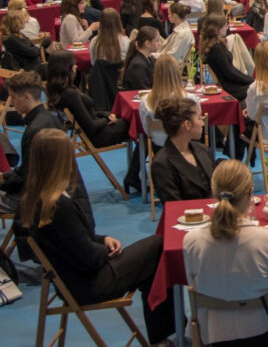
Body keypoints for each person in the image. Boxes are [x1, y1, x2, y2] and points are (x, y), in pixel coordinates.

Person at [20, 129, 175, 343]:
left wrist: (103, 240)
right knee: (159, 246)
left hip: (76, 276)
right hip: (88, 284)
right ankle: (165, 334)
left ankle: (163, 335)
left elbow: (74, 239)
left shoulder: (39, 197)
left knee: (153, 262)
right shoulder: (58, 205)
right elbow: (89, 258)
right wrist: (108, 250)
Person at [183, 159, 268, 345]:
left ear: (214, 193)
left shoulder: (192, 241)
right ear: (251, 192)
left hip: (213, 335)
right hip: (265, 332)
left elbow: (193, 283)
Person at [0, 71, 74, 213]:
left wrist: (3, 181)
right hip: (55, 185)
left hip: (36, 195)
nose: (12, 102)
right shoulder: (51, 117)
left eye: (13, 98)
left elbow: (26, 179)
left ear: (27, 97)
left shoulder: (35, 130)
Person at [45, 51, 130, 148]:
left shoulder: (61, 90)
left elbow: (86, 113)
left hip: (99, 127)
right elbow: (91, 126)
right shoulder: (70, 94)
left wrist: (106, 115)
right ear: (65, 68)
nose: (76, 67)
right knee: (136, 123)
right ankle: (138, 161)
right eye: (73, 64)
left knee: (131, 120)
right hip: (99, 135)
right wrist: (107, 119)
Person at [151, 97, 215, 203]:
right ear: (187, 125)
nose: (203, 123)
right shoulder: (162, 164)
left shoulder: (202, 149)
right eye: (199, 118)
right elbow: (174, 207)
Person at [140, 54, 200, 147]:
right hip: (185, 146)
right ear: (177, 73)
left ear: (155, 74)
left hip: (157, 146)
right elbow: (196, 125)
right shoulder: (190, 100)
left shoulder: (145, 101)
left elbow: (146, 128)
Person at [200, 15, 253, 102]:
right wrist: (250, 80)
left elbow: (231, 70)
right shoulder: (216, 49)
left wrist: (249, 79)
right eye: (225, 26)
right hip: (232, 88)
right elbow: (230, 73)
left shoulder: (215, 45)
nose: (227, 28)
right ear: (216, 29)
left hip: (231, 84)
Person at [1, 10, 46, 74]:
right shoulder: (10, 39)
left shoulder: (20, 34)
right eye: (22, 20)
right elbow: (33, 52)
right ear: (16, 23)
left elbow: (33, 48)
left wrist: (35, 50)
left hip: (35, 66)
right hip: (28, 71)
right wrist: (35, 50)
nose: (25, 21)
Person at [122, 26, 161, 90]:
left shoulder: (150, 59)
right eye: (157, 40)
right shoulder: (138, 65)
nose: (160, 43)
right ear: (147, 43)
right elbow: (144, 89)